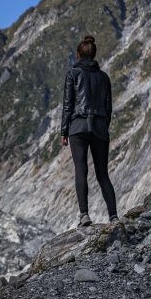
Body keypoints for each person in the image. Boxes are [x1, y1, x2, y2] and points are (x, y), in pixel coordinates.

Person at [60, 35, 119, 226]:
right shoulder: (104, 77)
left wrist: (64, 131)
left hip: (78, 127)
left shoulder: (73, 73)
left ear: (78, 55)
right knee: (103, 174)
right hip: (100, 127)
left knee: (81, 170)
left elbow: (68, 105)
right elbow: (108, 107)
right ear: (94, 54)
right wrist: (104, 126)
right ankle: (113, 217)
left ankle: (84, 215)